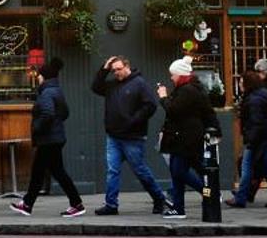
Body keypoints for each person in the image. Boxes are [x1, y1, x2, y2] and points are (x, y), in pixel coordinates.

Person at [90, 54, 175, 217]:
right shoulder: (112, 85)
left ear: (127, 67)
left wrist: (133, 120)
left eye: (119, 69)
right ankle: (111, 204)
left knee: (140, 170)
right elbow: (95, 87)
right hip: (114, 136)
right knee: (113, 170)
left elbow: (150, 106)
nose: (116, 73)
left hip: (132, 137)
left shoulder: (139, 84)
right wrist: (104, 69)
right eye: (114, 70)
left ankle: (159, 199)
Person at [11, 57, 85, 217]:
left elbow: (47, 114)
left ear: (43, 77)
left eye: (38, 75)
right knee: (50, 172)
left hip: (48, 139)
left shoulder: (46, 93)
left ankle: (30, 204)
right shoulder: (56, 90)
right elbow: (65, 113)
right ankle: (29, 203)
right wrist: (55, 124)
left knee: (43, 172)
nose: (37, 77)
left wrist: (37, 128)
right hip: (54, 138)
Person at [159, 57, 219, 216]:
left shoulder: (187, 91)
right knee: (176, 173)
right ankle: (178, 208)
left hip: (185, 138)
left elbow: (173, 110)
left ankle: (209, 192)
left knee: (179, 172)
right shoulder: (189, 89)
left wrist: (163, 97)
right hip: (181, 137)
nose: (171, 78)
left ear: (180, 75)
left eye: (173, 75)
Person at [227, 67, 267, 209]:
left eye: (241, 82)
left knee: (246, 169)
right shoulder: (259, 95)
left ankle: (241, 198)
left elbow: (256, 122)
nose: (240, 85)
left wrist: (250, 140)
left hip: (257, 139)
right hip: (264, 137)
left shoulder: (254, 100)